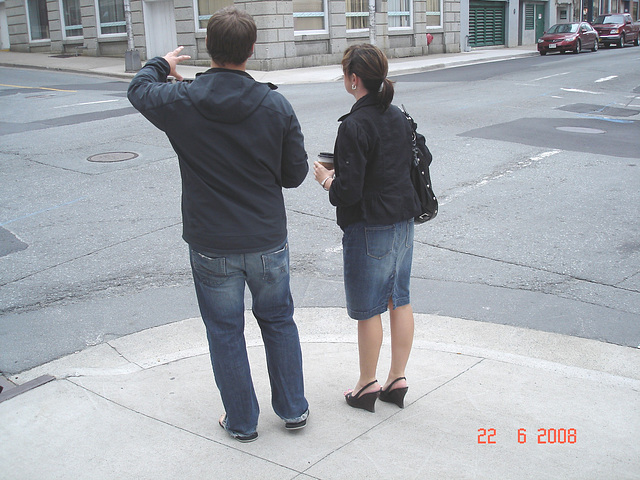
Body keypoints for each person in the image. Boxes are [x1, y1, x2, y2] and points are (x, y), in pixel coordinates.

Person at [128, 7, 309, 442]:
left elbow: (139, 89)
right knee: (279, 321)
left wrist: (161, 65)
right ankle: (292, 409)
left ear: (208, 48)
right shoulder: (275, 104)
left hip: (211, 242)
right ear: (251, 50)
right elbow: (294, 175)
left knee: (225, 331)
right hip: (266, 239)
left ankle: (243, 420)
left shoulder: (180, 101)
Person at [313, 44, 421, 413]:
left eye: (345, 74)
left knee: (369, 309)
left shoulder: (355, 125)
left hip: (369, 225)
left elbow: (350, 191)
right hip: (404, 220)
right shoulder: (399, 116)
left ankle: (366, 384)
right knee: (399, 299)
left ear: (354, 79)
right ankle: (398, 378)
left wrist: (327, 179)